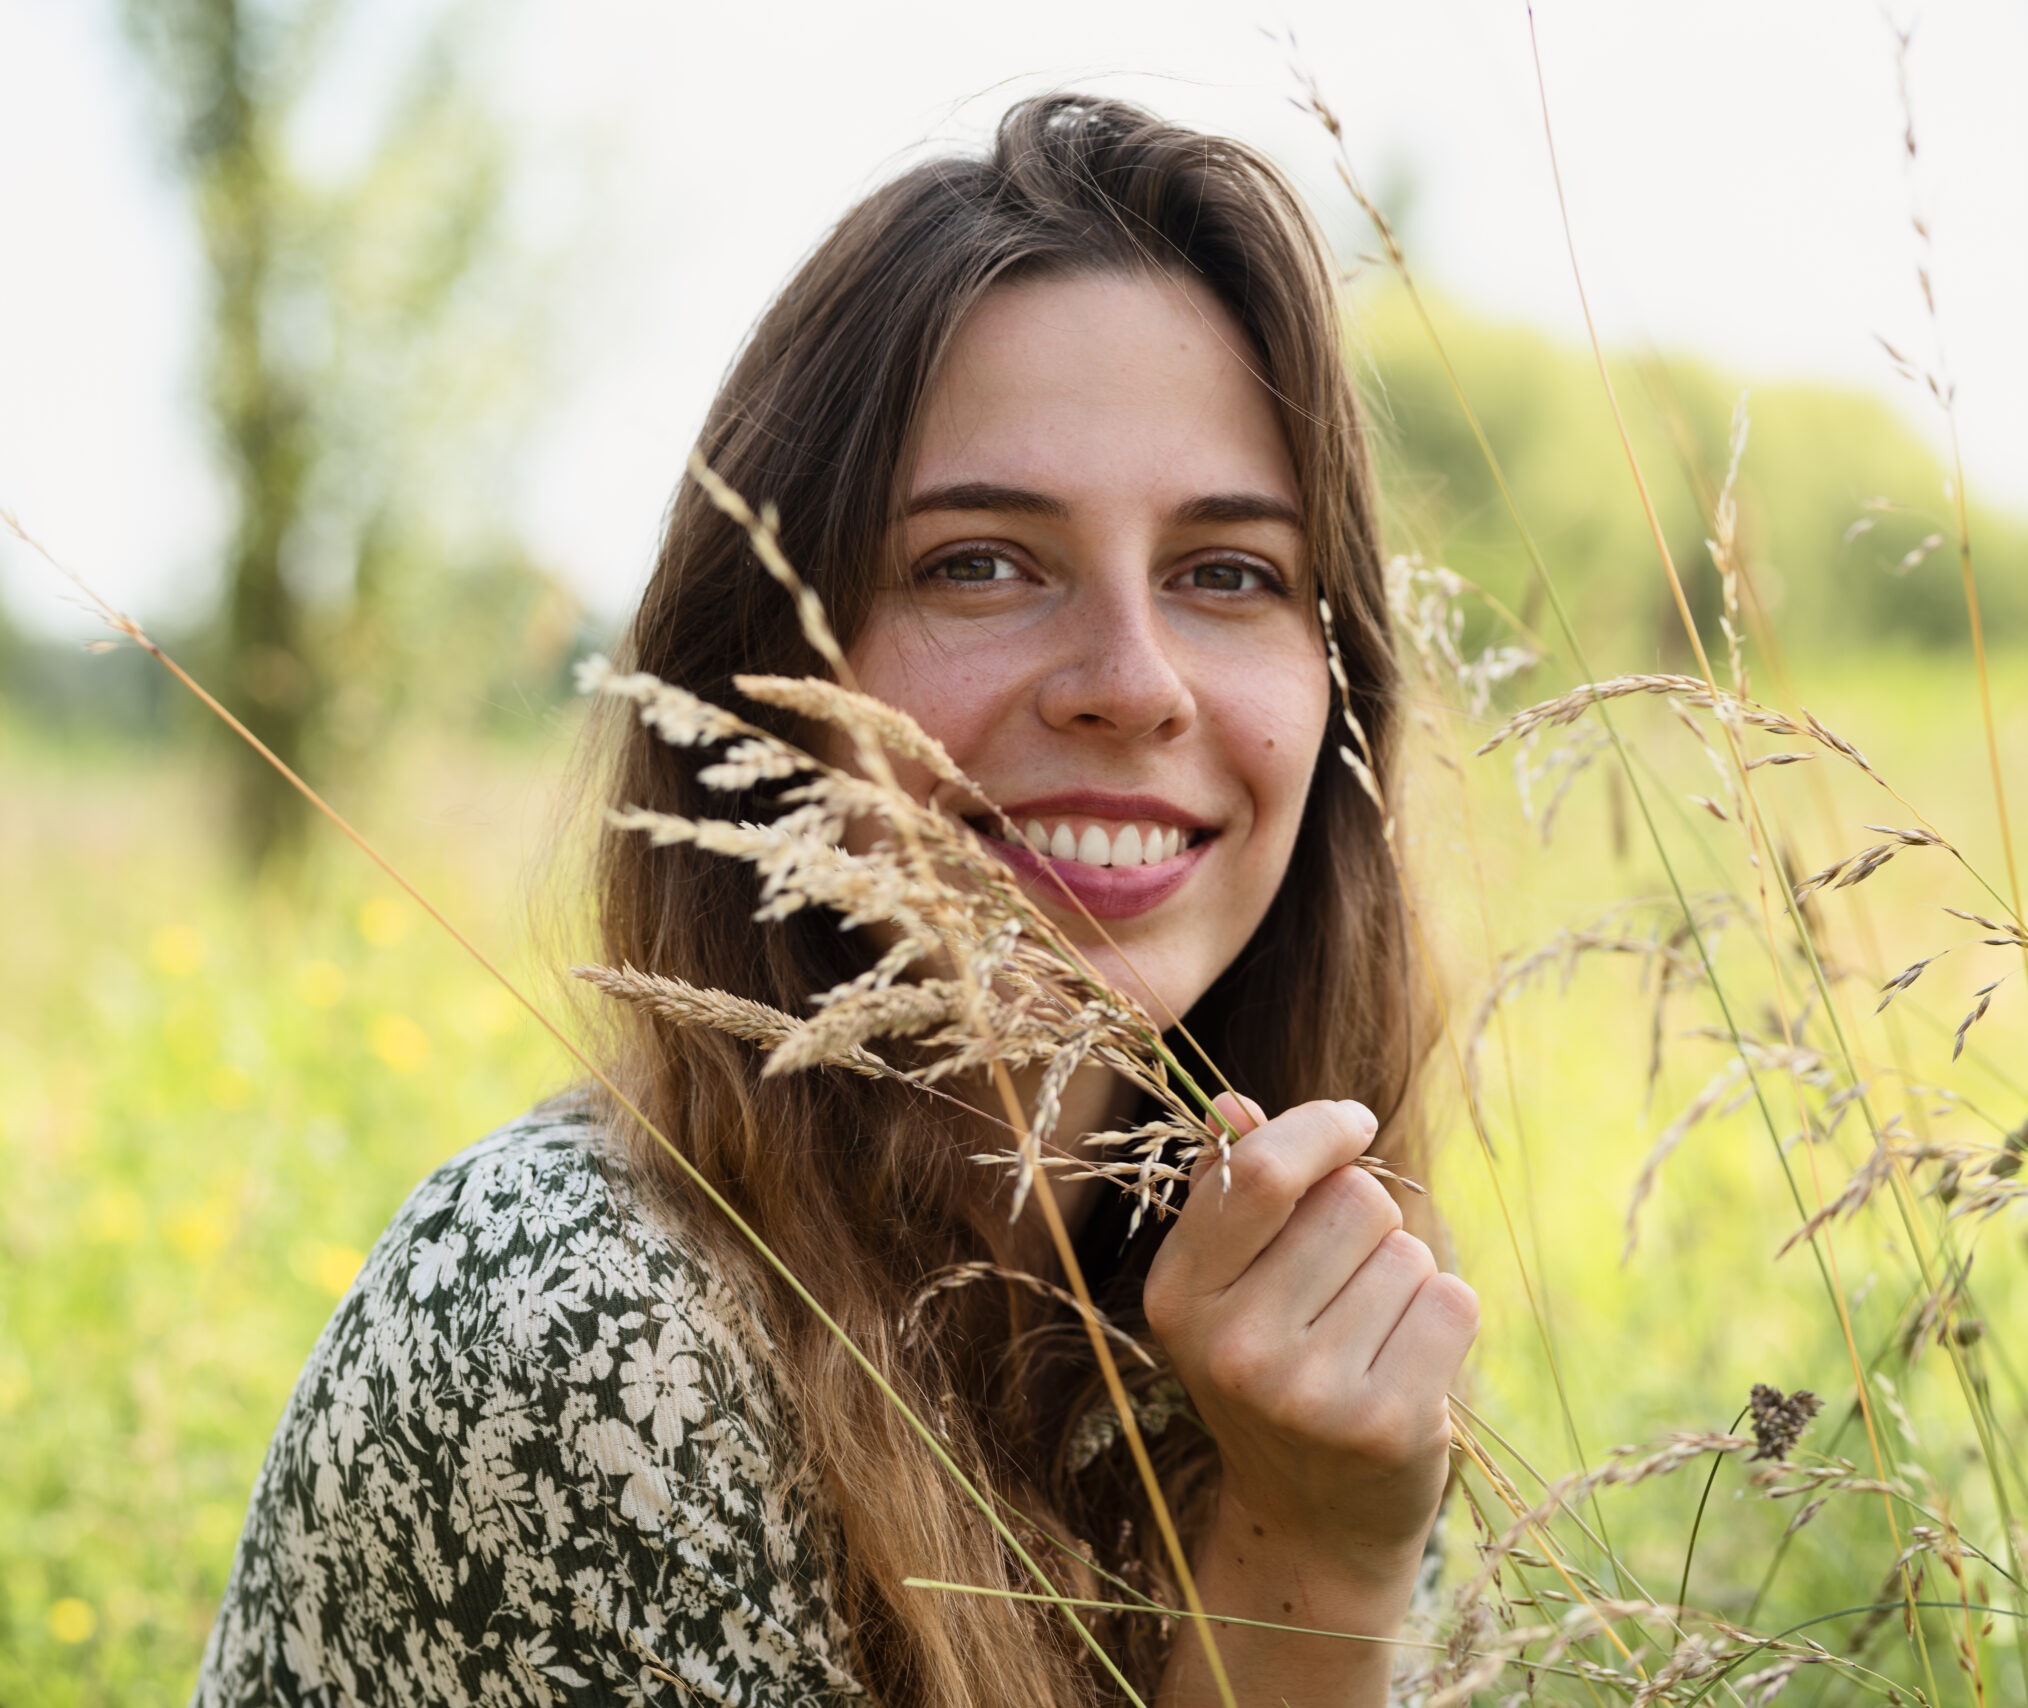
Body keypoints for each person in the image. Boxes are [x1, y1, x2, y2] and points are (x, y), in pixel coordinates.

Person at [193, 94, 1476, 1708]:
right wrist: (1311, 1570)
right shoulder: (582, 1334)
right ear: (768, 680)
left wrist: (1328, 1522)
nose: (1134, 686)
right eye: (980, 563)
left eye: (1227, 573)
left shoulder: (1301, 1320)